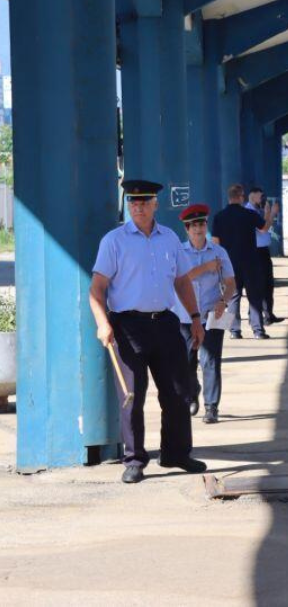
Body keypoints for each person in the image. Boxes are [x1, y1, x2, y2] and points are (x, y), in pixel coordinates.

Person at [89, 179, 207, 484]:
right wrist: (103, 322)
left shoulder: (168, 238)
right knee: (132, 396)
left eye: (144, 202)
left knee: (179, 391)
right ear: (128, 205)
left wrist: (195, 318)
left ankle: (176, 454)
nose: (138, 207)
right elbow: (97, 289)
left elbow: (182, 282)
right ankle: (135, 459)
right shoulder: (114, 241)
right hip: (127, 326)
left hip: (165, 323)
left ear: (155, 204)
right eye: (133, 202)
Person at [174, 204, 236, 424]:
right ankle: (192, 393)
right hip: (185, 317)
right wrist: (205, 267)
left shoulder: (219, 252)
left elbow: (231, 283)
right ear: (186, 229)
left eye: (201, 224)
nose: (198, 229)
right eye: (193, 226)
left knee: (210, 360)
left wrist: (223, 301)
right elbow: (179, 281)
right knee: (186, 362)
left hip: (212, 314)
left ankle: (211, 406)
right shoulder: (178, 252)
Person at [211, 183, 279, 340]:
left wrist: (218, 262)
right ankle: (258, 331)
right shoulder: (248, 214)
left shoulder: (219, 216)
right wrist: (270, 214)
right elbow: (264, 228)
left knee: (233, 297)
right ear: (241, 197)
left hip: (229, 263)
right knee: (254, 296)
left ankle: (234, 331)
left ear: (229, 198)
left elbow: (215, 242)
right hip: (250, 262)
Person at [245, 186, 281, 325]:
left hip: (263, 250)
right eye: (261, 197)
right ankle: (256, 316)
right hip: (256, 252)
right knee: (259, 284)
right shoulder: (249, 211)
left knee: (267, 284)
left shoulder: (256, 210)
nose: (263, 199)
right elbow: (263, 229)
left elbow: (264, 226)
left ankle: (268, 314)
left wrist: (266, 212)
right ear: (252, 196)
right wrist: (272, 213)